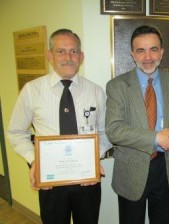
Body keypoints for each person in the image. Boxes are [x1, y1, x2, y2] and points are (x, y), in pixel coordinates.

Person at [7, 29, 112, 224]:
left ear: (81, 56)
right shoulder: (32, 90)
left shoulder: (95, 91)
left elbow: (105, 132)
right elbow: (16, 132)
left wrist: (94, 158)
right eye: (61, 51)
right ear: (49, 55)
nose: (68, 57)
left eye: (73, 51)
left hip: (87, 180)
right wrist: (34, 160)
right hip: (50, 181)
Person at [105, 25, 169, 224]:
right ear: (132, 54)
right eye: (141, 50)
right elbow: (114, 130)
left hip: (166, 167)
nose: (148, 57)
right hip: (130, 170)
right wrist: (155, 138)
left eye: (153, 49)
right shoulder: (117, 86)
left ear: (162, 52)